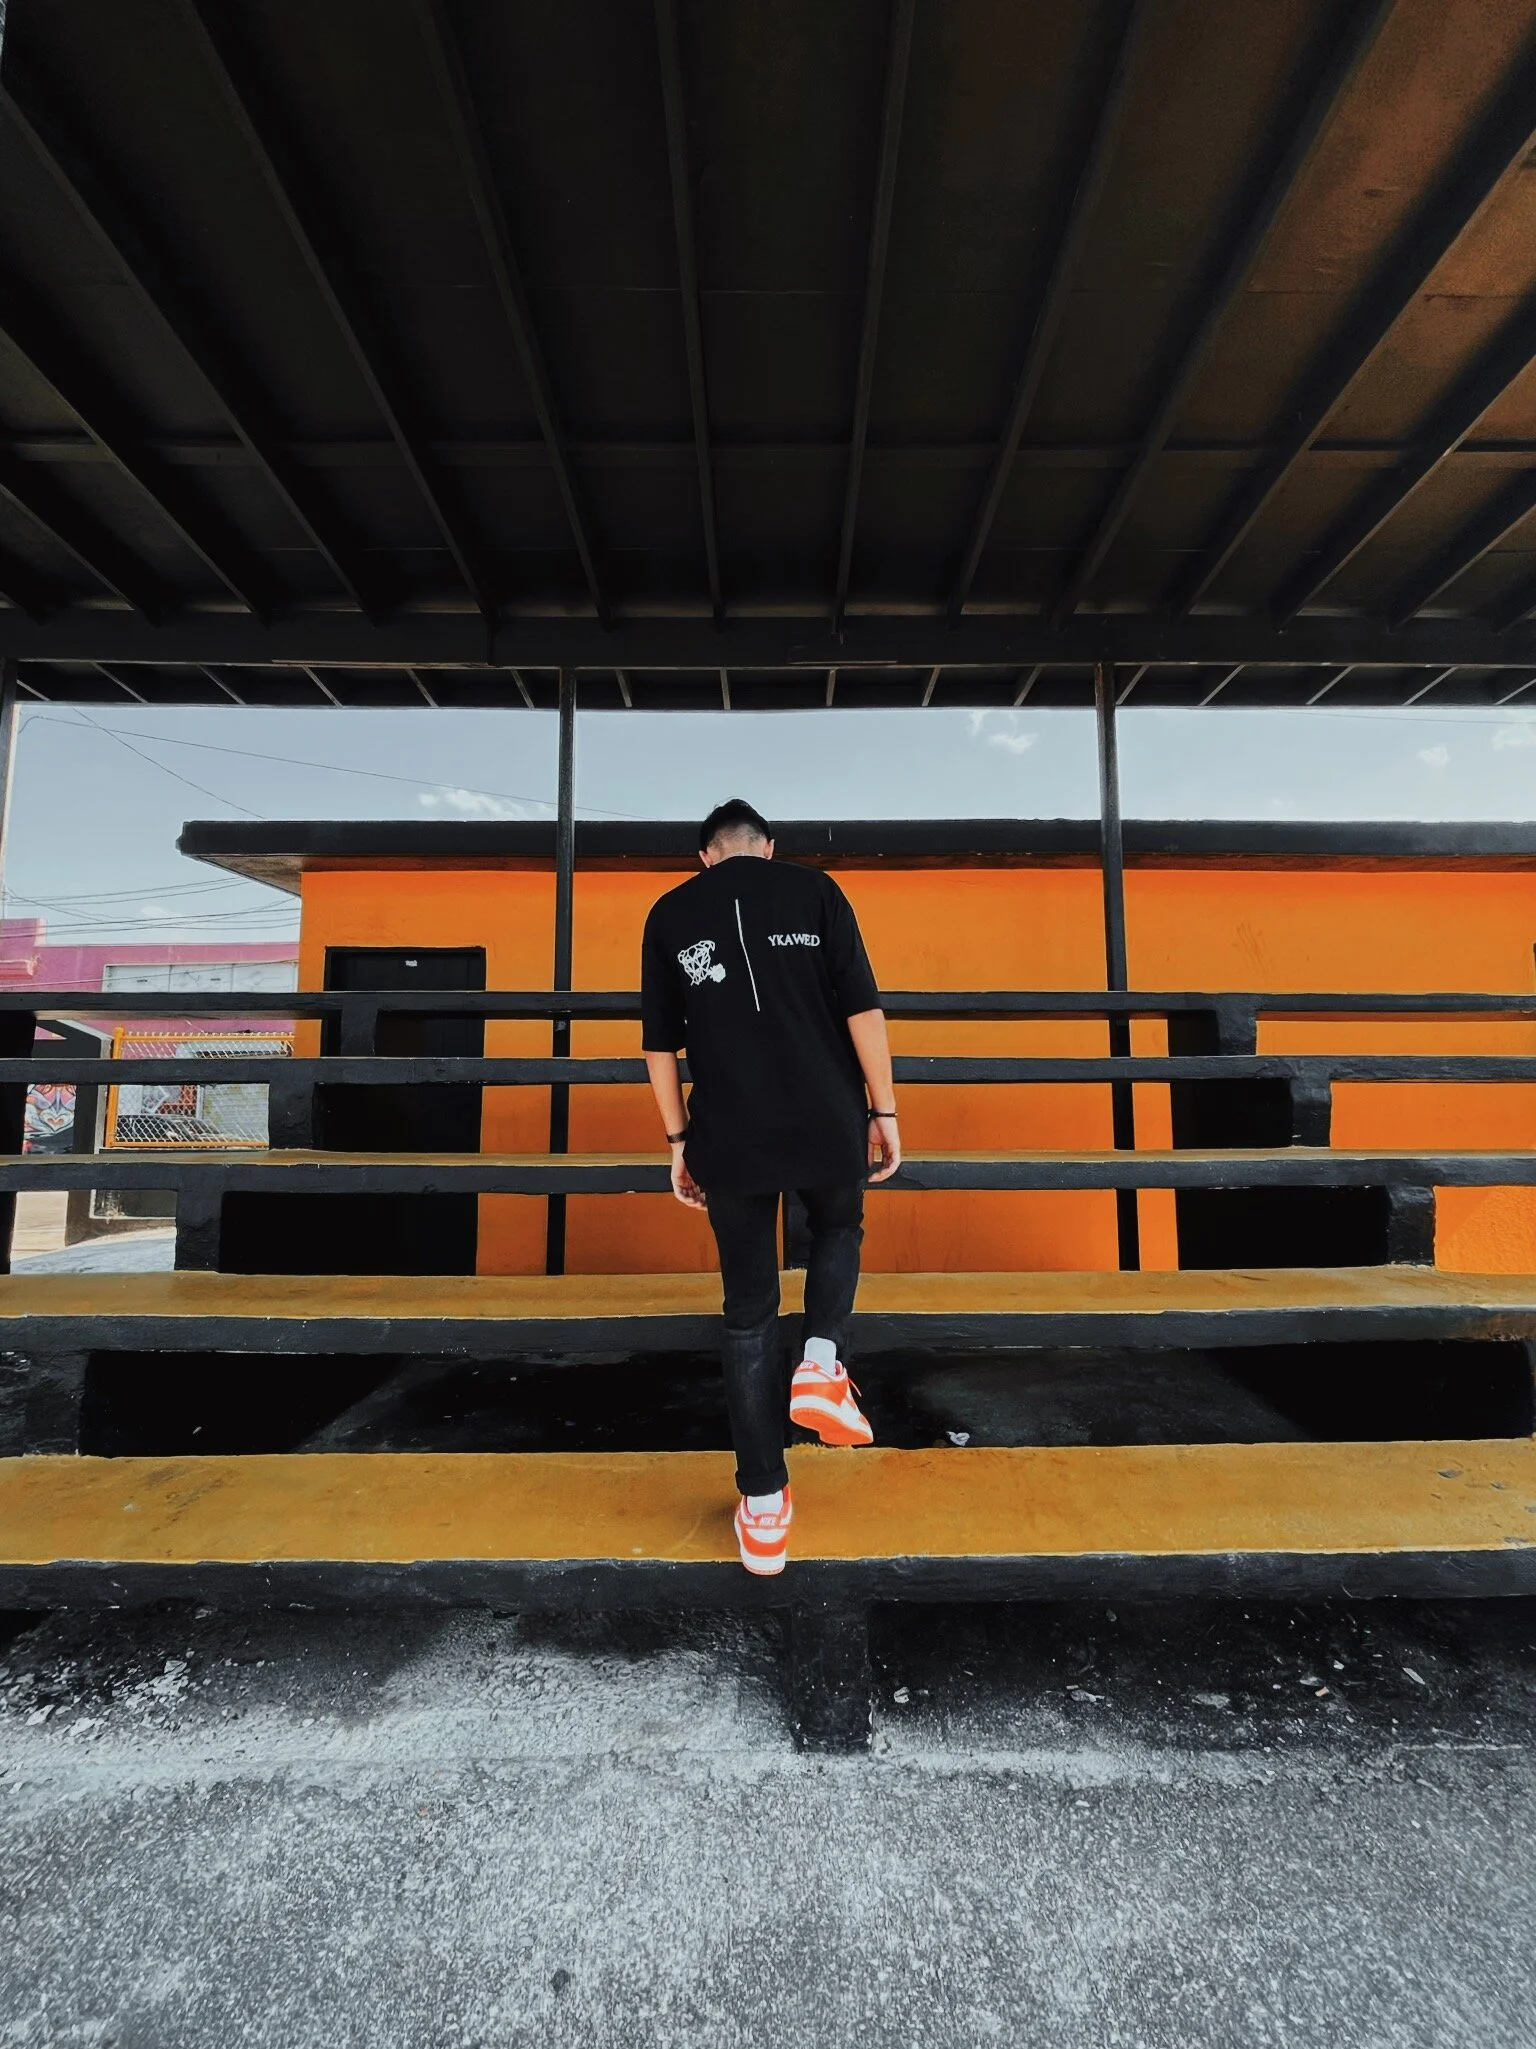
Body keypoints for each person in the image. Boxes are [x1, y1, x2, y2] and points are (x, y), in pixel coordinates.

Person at [641, 798, 901, 1576]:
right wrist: (883, 1109)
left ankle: (762, 1501)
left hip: (730, 1133)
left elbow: (660, 1046)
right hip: (827, 1117)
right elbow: (864, 1011)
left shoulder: (671, 912)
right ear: (768, 847)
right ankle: (822, 1358)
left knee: (749, 1313)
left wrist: (679, 1141)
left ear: (708, 857)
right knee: (839, 1228)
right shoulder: (816, 892)